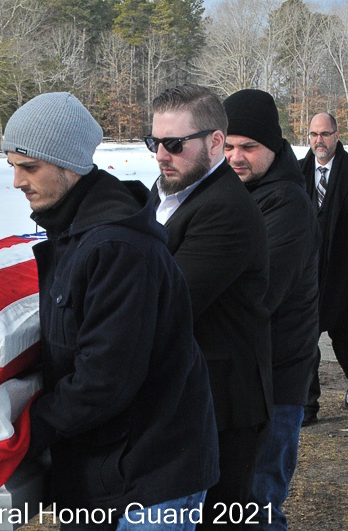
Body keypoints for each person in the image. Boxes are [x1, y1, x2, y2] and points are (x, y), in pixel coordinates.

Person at [5, 92, 219, 530]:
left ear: (69, 164)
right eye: (12, 166)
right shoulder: (76, 234)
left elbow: (105, 379)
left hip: (148, 480)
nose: (17, 182)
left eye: (29, 167)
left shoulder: (117, 247)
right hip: (106, 470)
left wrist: (20, 431)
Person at [146, 84, 272, 530]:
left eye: (175, 144)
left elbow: (165, 301)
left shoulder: (225, 210)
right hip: (191, 399)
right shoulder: (170, 192)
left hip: (224, 409)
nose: (161, 155)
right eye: (154, 142)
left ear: (215, 142)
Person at [223, 89, 319, 530]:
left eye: (248, 147)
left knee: (257, 505)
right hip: (242, 379)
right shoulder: (235, 192)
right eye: (227, 146)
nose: (235, 157)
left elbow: (259, 295)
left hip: (277, 378)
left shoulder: (287, 203)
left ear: (275, 146)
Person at [299, 112, 348, 422]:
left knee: (345, 339)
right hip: (307, 274)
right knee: (304, 341)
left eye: (325, 134)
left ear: (337, 135)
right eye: (314, 134)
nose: (319, 140)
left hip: (343, 275)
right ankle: (306, 407)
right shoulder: (296, 173)